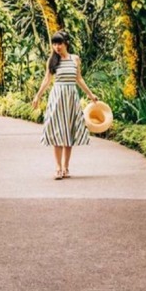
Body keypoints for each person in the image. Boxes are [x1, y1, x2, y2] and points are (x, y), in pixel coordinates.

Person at [31, 30, 99, 180]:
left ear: (66, 43)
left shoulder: (75, 59)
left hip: (71, 98)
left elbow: (79, 79)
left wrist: (90, 94)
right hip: (57, 98)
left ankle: (66, 168)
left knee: (68, 132)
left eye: (59, 43)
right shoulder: (52, 61)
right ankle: (58, 168)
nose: (57, 47)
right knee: (57, 132)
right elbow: (47, 80)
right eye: (54, 43)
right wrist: (38, 96)